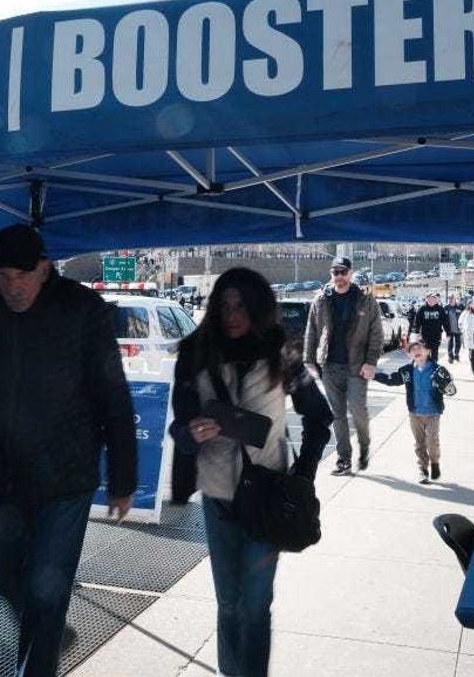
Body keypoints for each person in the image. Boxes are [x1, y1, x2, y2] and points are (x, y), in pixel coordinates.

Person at [0, 224, 137, 677]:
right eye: (3, 276)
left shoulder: (83, 310)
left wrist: (123, 479)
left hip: (66, 477)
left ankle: (39, 655)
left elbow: (113, 395)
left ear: (45, 268)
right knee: (10, 582)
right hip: (4, 473)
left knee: (47, 592)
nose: (13, 286)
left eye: (23, 275)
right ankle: (48, 632)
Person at [170, 267, 332, 677]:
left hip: (267, 496)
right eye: (224, 305)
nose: (231, 314)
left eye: (241, 305)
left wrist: (302, 476)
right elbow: (179, 426)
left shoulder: (283, 353)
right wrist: (191, 432)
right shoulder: (194, 353)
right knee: (228, 602)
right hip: (219, 495)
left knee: (255, 604)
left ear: (258, 307)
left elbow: (319, 418)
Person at [303, 256, 384, 475]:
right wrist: (309, 360)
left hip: (357, 367)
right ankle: (344, 459)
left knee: (358, 410)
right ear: (331, 274)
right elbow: (311, 329)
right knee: (338, 415)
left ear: (350, 272)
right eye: (335, 272)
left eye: (343, 272)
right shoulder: (321, 298)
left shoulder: (365, 299)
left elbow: (376, 333)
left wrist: (370, 362)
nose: (339, 276)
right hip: (330, 366)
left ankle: (365, 446)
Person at [375, 339, 454, 484]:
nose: (416, 351)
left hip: (432, 413)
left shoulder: (437, 369)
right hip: (415, 414)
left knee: (432, 441)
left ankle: (435, 462)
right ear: (409, 354)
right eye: (412, 350)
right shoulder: (407, 371)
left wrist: (448, 385)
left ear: (428, 351)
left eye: (420, 348)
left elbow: (449, 388)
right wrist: (374, 375)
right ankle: (423, 470)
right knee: (420, 443)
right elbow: (391, 379)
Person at [409, 291, 451, 364]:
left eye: (433, 299)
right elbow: (417, 322)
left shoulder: (440, 309)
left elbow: (445, 322)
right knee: (426, 353)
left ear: (435, 299)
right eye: (429, 298)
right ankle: (426, 368)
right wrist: (416, 333)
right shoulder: (422, 309)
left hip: (436, 335)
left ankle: (433, 368)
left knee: (435, 355)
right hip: (425, 336)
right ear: (426, 299)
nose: (431, 300)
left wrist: (448, 333)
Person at [444, 294, 465, 362]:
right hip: (449, 329)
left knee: (458, 343)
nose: (451, 300)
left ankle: (456, 355)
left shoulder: (460, 306)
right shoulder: (446, 307)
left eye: (452, 298)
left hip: (458, 329)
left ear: (455, 299)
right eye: (449, 298)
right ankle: (450, 357)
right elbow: (443, 319)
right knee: (450, 343)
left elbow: (465, 315)